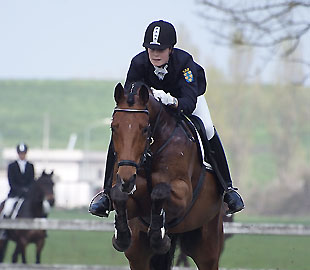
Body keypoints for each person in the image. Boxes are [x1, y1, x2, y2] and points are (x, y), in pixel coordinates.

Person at [89, 20, 244, 217]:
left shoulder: (185, 64)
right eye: (151, 49)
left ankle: (227, 188)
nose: (155, 54)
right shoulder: (138, 63)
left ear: (171, 49)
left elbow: (189, 102)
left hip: (186, 100)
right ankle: (106, 194)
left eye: (160, 49)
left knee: (206, 128)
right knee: (122, 132)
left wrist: (171, 100)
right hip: (151, 106)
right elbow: (130, 96)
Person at [1, 143, 35, 220]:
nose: (22, 155)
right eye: (20, 153)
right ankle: (4, 230)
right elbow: (11, 182)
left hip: (27, 195)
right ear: (18, 153)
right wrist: (20, 190)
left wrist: (27, 190)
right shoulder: (12, 166)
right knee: (7, 209)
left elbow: (32, 181)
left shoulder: (30, 166)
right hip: (14, 195)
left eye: (23, 153)